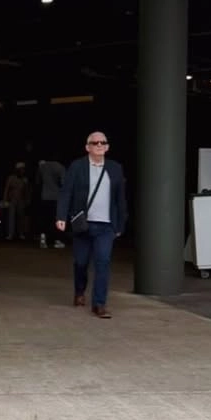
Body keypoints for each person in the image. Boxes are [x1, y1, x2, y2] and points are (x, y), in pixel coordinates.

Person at [55, 131, 128, 319]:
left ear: (107, 147)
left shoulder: (115, 168)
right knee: (81, 262)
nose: (99, 145)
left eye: (103, 142)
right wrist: (61, 216)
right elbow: (66, 192)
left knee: (103, 262)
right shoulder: (77, 166)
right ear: (87, 147)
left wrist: (120, 223)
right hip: (83, 224)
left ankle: (99, 304)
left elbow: (120, 198)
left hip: (106, 226)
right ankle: (79, 291)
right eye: (95, 143)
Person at [35, 156, 66, 248]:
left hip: (44, 196)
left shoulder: (42, 167)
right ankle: (57, 240)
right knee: (56, 219)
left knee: (44, 219)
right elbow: (63, 183)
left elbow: (38, 182)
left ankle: (43, 239)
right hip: (56, 197)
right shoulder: (60, 167)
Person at [1, 162, 31, 241]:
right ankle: (10, 234)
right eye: (21, 169)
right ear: (17, 170)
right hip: (12, 200)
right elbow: (6, 189)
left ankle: (21, 233)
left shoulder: (25, 179)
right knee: (11, 217)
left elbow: (27, 191)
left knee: (21, 217)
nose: (22, 171)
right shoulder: (11, 178)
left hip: (21, 200)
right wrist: (4, 200)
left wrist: (27, 200)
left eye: (23, 169)